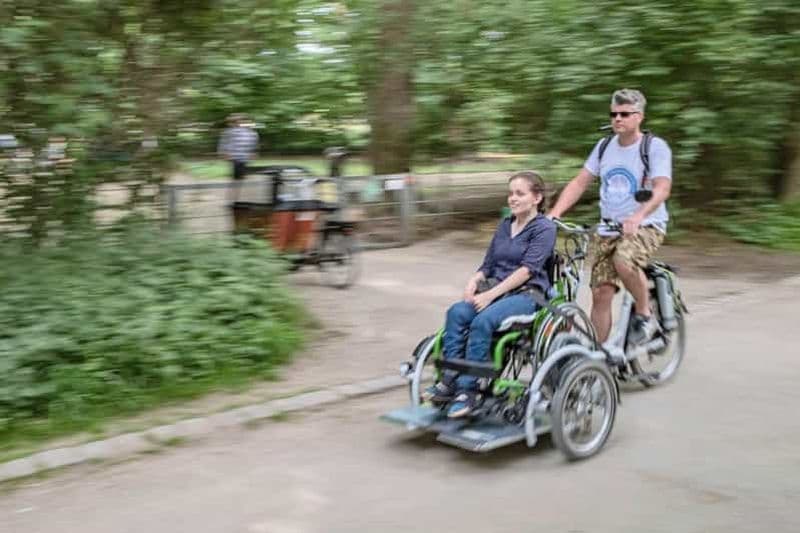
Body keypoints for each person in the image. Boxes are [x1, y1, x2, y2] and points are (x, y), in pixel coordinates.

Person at [423, 171, 557, 418]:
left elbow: (527, 271)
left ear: (536, 197)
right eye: (510, 193)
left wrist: (489, 296)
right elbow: (488, 264)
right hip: (495, 291)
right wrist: (474, 281)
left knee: (483, 321)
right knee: (456, 313)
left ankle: (469, 390)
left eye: (520, 193)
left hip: (527, 295)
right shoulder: (506, 225)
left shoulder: (544, 228)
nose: (513, 199)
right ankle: (450, 380)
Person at [548, 88, 672, 345]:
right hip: (608, 228)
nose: (617, 118)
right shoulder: (604, 146)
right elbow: (580, 183)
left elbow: (662, 189)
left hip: (647, 225)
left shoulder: (654, 147)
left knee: (624, 261)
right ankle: (597, 356)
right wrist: (554, 214)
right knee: (600, 293)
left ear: (639, 116)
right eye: (613, 113)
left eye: (624, 114)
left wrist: (638, 216)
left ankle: (644, 313)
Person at [218, 114, 259, 203]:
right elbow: (223, 142)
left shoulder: (250, 132)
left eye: (238, 121)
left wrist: (253, 152)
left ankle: (236, 198)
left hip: (244, 158)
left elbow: (253, 142)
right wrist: (223, 153)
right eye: (235, 121)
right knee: (236, 179)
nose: (237, 123)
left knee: (240, 179)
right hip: (235, 157)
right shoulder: (230, 132)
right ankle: (231, 199)